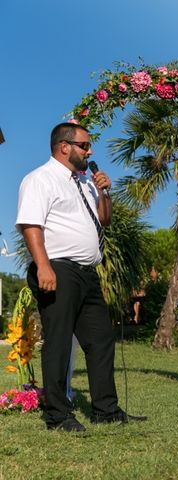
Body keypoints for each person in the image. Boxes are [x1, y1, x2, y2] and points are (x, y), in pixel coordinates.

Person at [16, 122, 147, 431]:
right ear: (65, 147)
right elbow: (30, 225)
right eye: (84, 146)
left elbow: (105, 220)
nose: (90, 151)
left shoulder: (86, 183)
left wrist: (104, 193)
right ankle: (58, 416)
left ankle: (106, 410)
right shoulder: (40, 179)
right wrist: (43, 265)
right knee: (59, 341)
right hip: (58, 269)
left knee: (101, 339)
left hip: (87, 274)